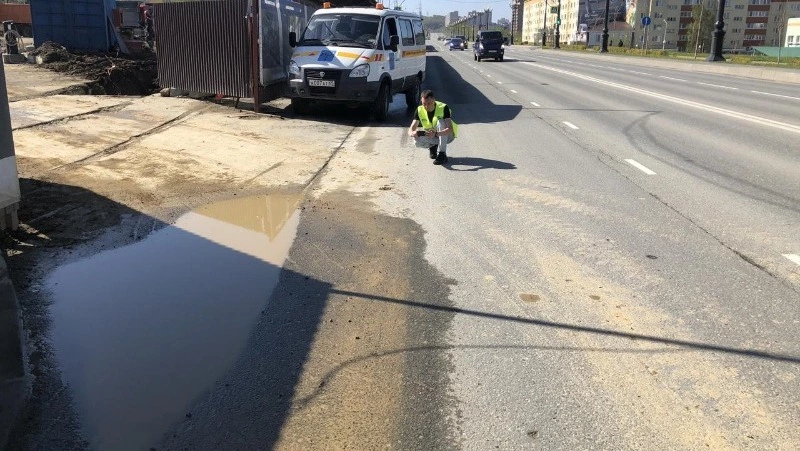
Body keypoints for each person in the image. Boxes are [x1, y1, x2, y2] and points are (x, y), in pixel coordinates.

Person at [407, 90, 458, 165]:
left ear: (434, 100)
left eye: (429, 103)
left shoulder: (443, 107)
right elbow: (412, 127)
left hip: (447, 135)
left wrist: (436, 134)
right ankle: (433, 146)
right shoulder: (419, 109)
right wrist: (412, 133)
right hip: (431, 135)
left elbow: (450, 129)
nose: (426, 106)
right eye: (424, 104)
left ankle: (442, 153)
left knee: (440, 122)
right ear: (421, 101)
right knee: (416, 141)